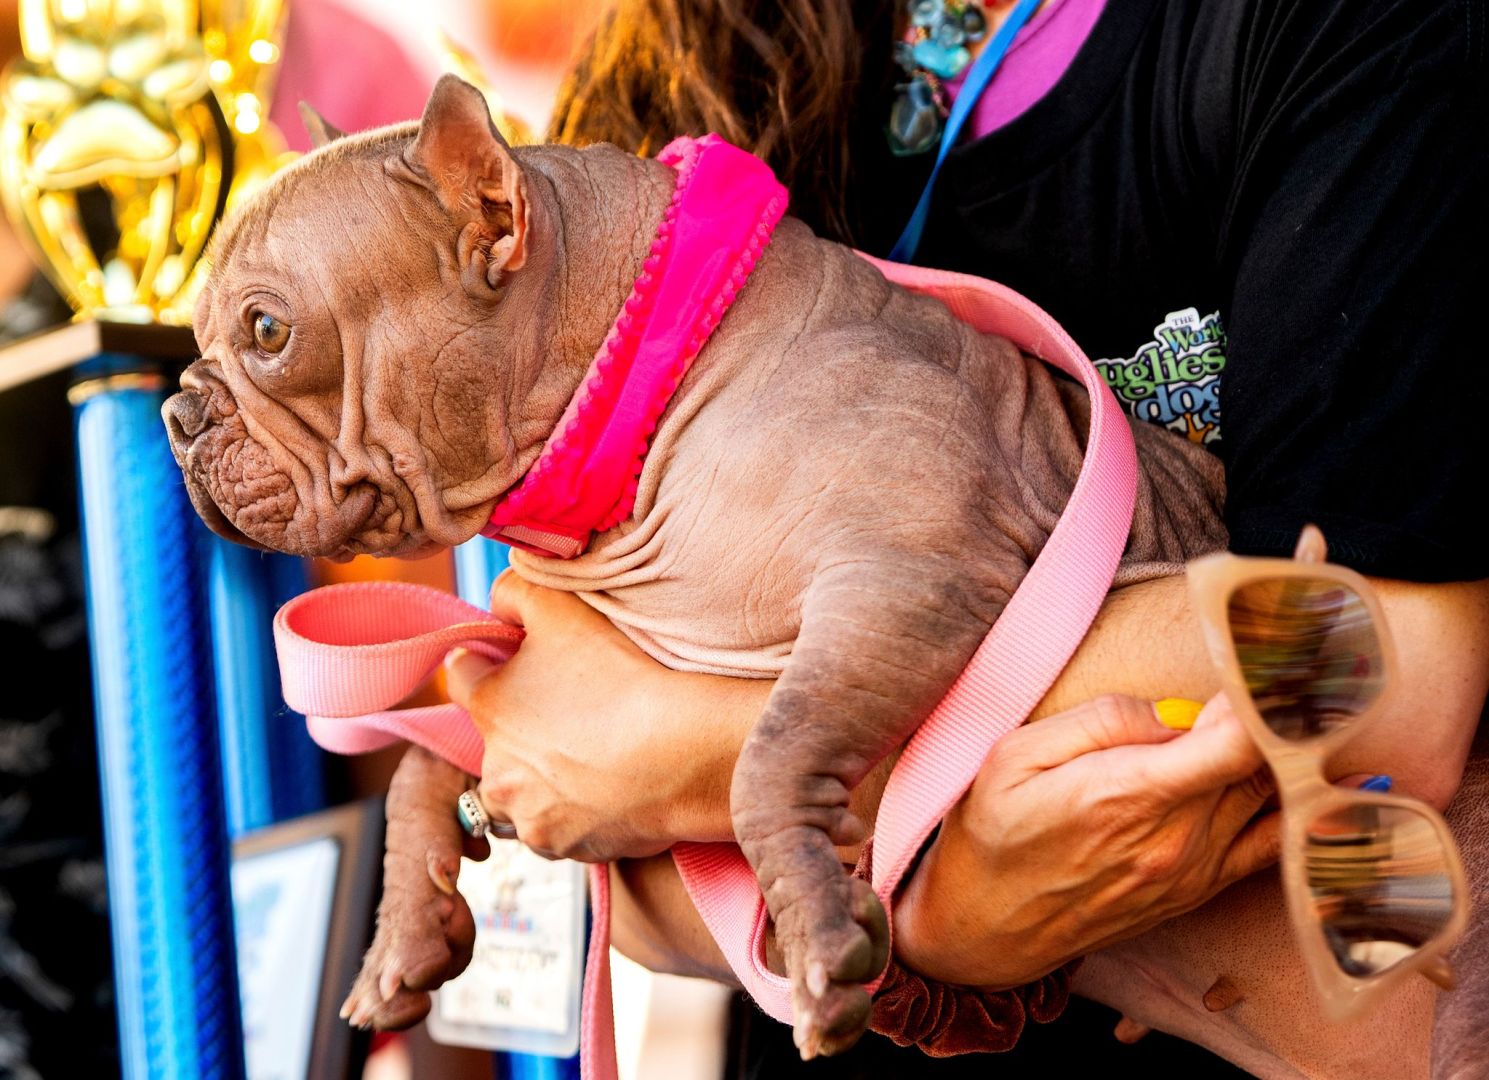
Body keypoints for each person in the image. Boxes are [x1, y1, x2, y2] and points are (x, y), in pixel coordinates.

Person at [445, 0, 1489, 1072]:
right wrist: (942, 930)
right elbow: (570, 812)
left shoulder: (1337, 35)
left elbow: (1385, 680)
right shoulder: (656, 88)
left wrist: (695, 744)